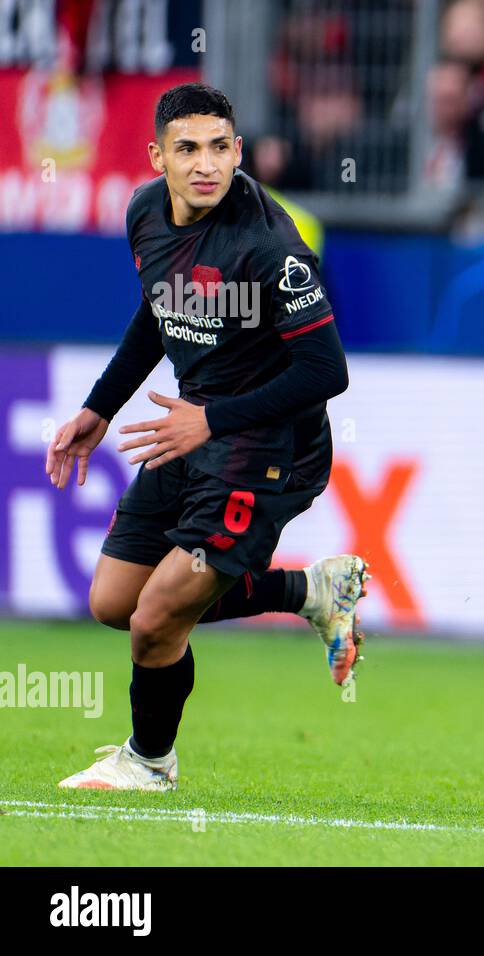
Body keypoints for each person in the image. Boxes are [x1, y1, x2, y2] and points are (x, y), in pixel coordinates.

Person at [45, 83, 370, 792]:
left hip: (265, 444)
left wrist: (209, 419)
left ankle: (149, 762)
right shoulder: (144, 213)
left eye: (220, 147)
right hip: (196, 425)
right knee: (115, 604)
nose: (206, 164)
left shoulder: (269, 247)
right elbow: (158, 313)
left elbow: (327, 370)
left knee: (157, 618)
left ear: (239, 152)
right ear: (157, 155)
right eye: (188, 148)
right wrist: (100, 407)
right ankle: (310, 592)